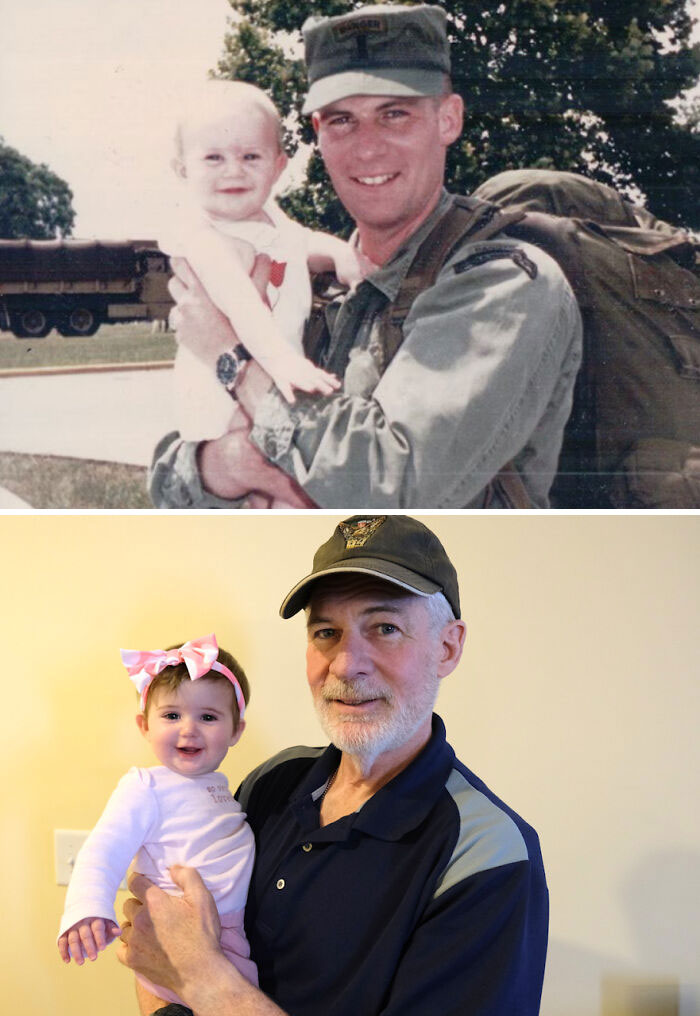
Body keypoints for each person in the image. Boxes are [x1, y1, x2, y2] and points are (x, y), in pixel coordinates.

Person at [150, 3, 583, 510]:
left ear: (448, 119)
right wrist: (230, 463)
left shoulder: (504, 285)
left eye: (394, 114)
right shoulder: (317, 280)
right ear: (318, 135)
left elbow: (392, 486)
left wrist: (232, 359)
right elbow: (168, 481)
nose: (367, 149)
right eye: (342, 121)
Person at [117, 515, 549, 1016]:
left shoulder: (485, 852)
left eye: (385, 628)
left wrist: (203, 980)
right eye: (326, 631)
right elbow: (161, 939)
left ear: (447, 646)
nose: (346, 664)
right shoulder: (270, 784)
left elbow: (185, 964)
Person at [160, 82, 373, 492]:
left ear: (277, 166)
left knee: (287, 485)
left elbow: (301, 243)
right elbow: (241, 303)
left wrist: (340, 255)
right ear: (183, 170)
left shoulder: (269, 219)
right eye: (213, 158)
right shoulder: (201, 236)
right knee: (269, 473)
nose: (233, 170)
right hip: (219, 395)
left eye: (250, 156)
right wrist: (283, 363)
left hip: (270, 382)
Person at [57, 634, 258, 1016]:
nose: (189, 729)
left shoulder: (218, 788)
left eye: (208, 717)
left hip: (227, 936)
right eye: (171, 715)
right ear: (144, 725)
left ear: (236, 731)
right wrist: (86, 907)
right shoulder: (145, 786)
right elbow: (104, 848)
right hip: (177, 935)